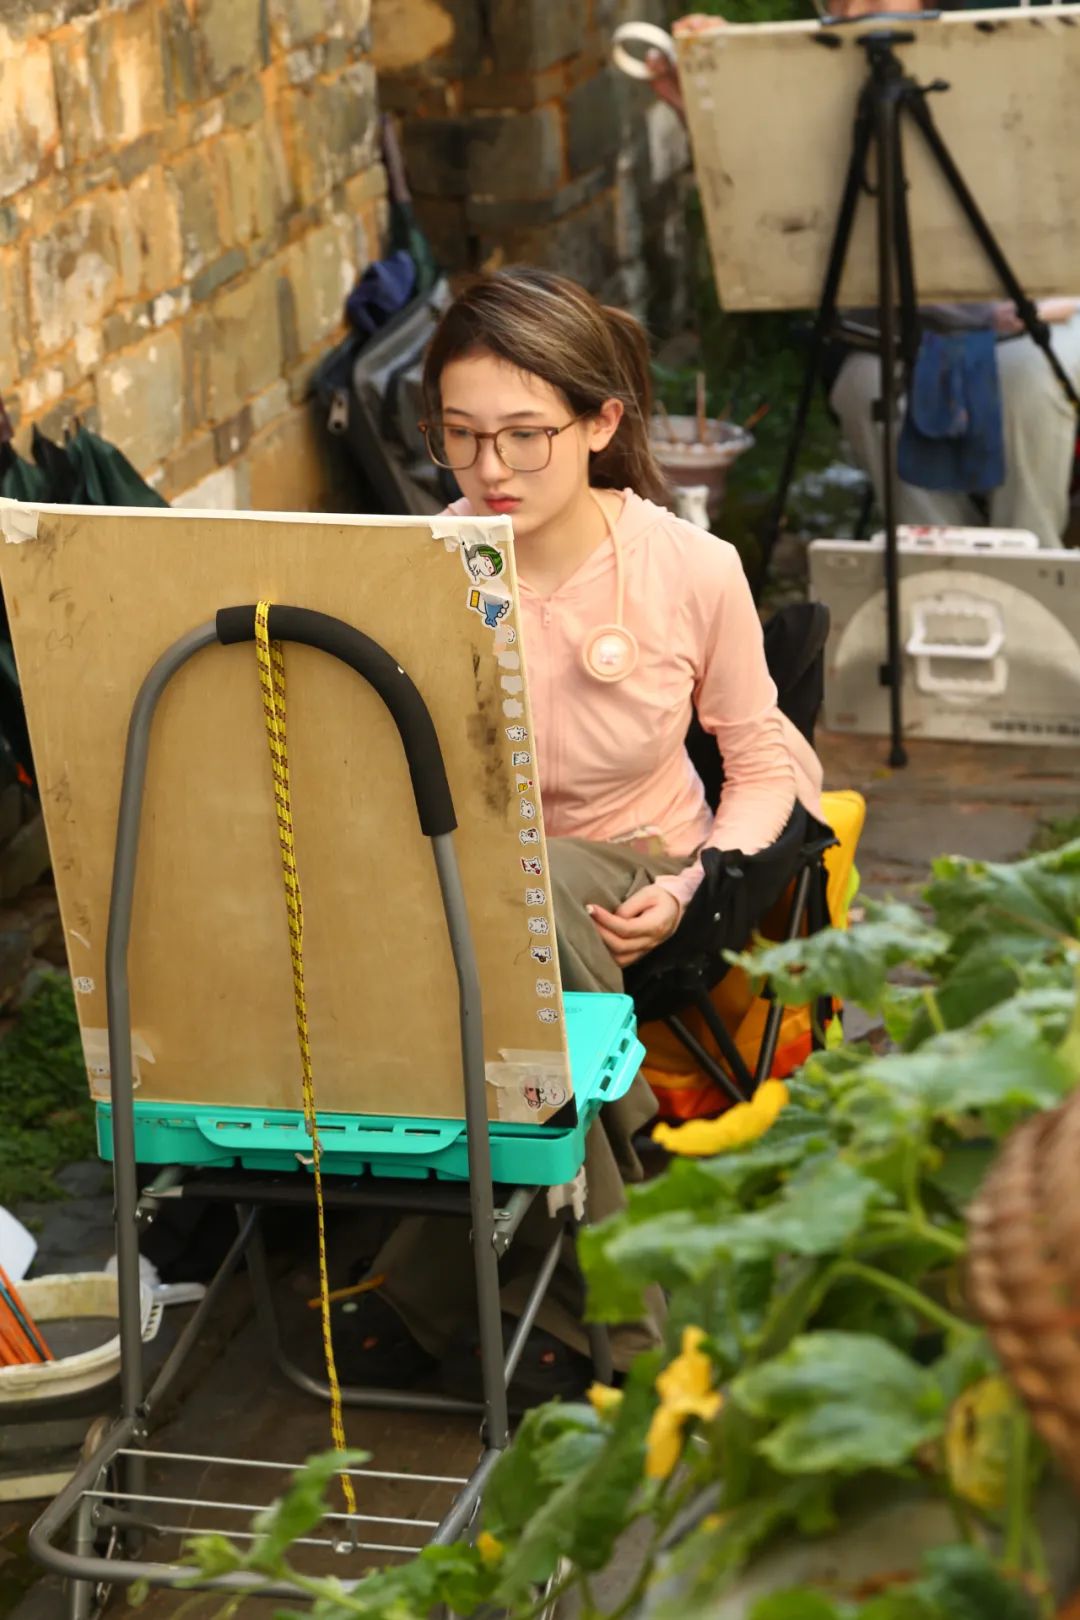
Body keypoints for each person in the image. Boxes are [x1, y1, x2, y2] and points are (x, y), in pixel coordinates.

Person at [345, 267, 825, 1398]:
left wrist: (702, 880)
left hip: (641, 868)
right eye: (460, 437)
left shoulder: (689, 568)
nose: (490, 470)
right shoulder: (422, 570)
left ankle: (438, 1289)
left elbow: (764, 762)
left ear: (602, 423)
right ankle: (621, 1147)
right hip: (478, 887)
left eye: (525, 435)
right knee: (500, 888)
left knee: (533, 882)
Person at [649, 8, 1080, 549]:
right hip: (885, 331)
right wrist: (710, 94)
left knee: (1029, 378)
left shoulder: (1010, 47)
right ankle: (937, 562)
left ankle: (1034, 566)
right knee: (867, 389)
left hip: (1038, 317)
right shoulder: (817, 67)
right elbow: (770, 198)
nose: (852, 11)